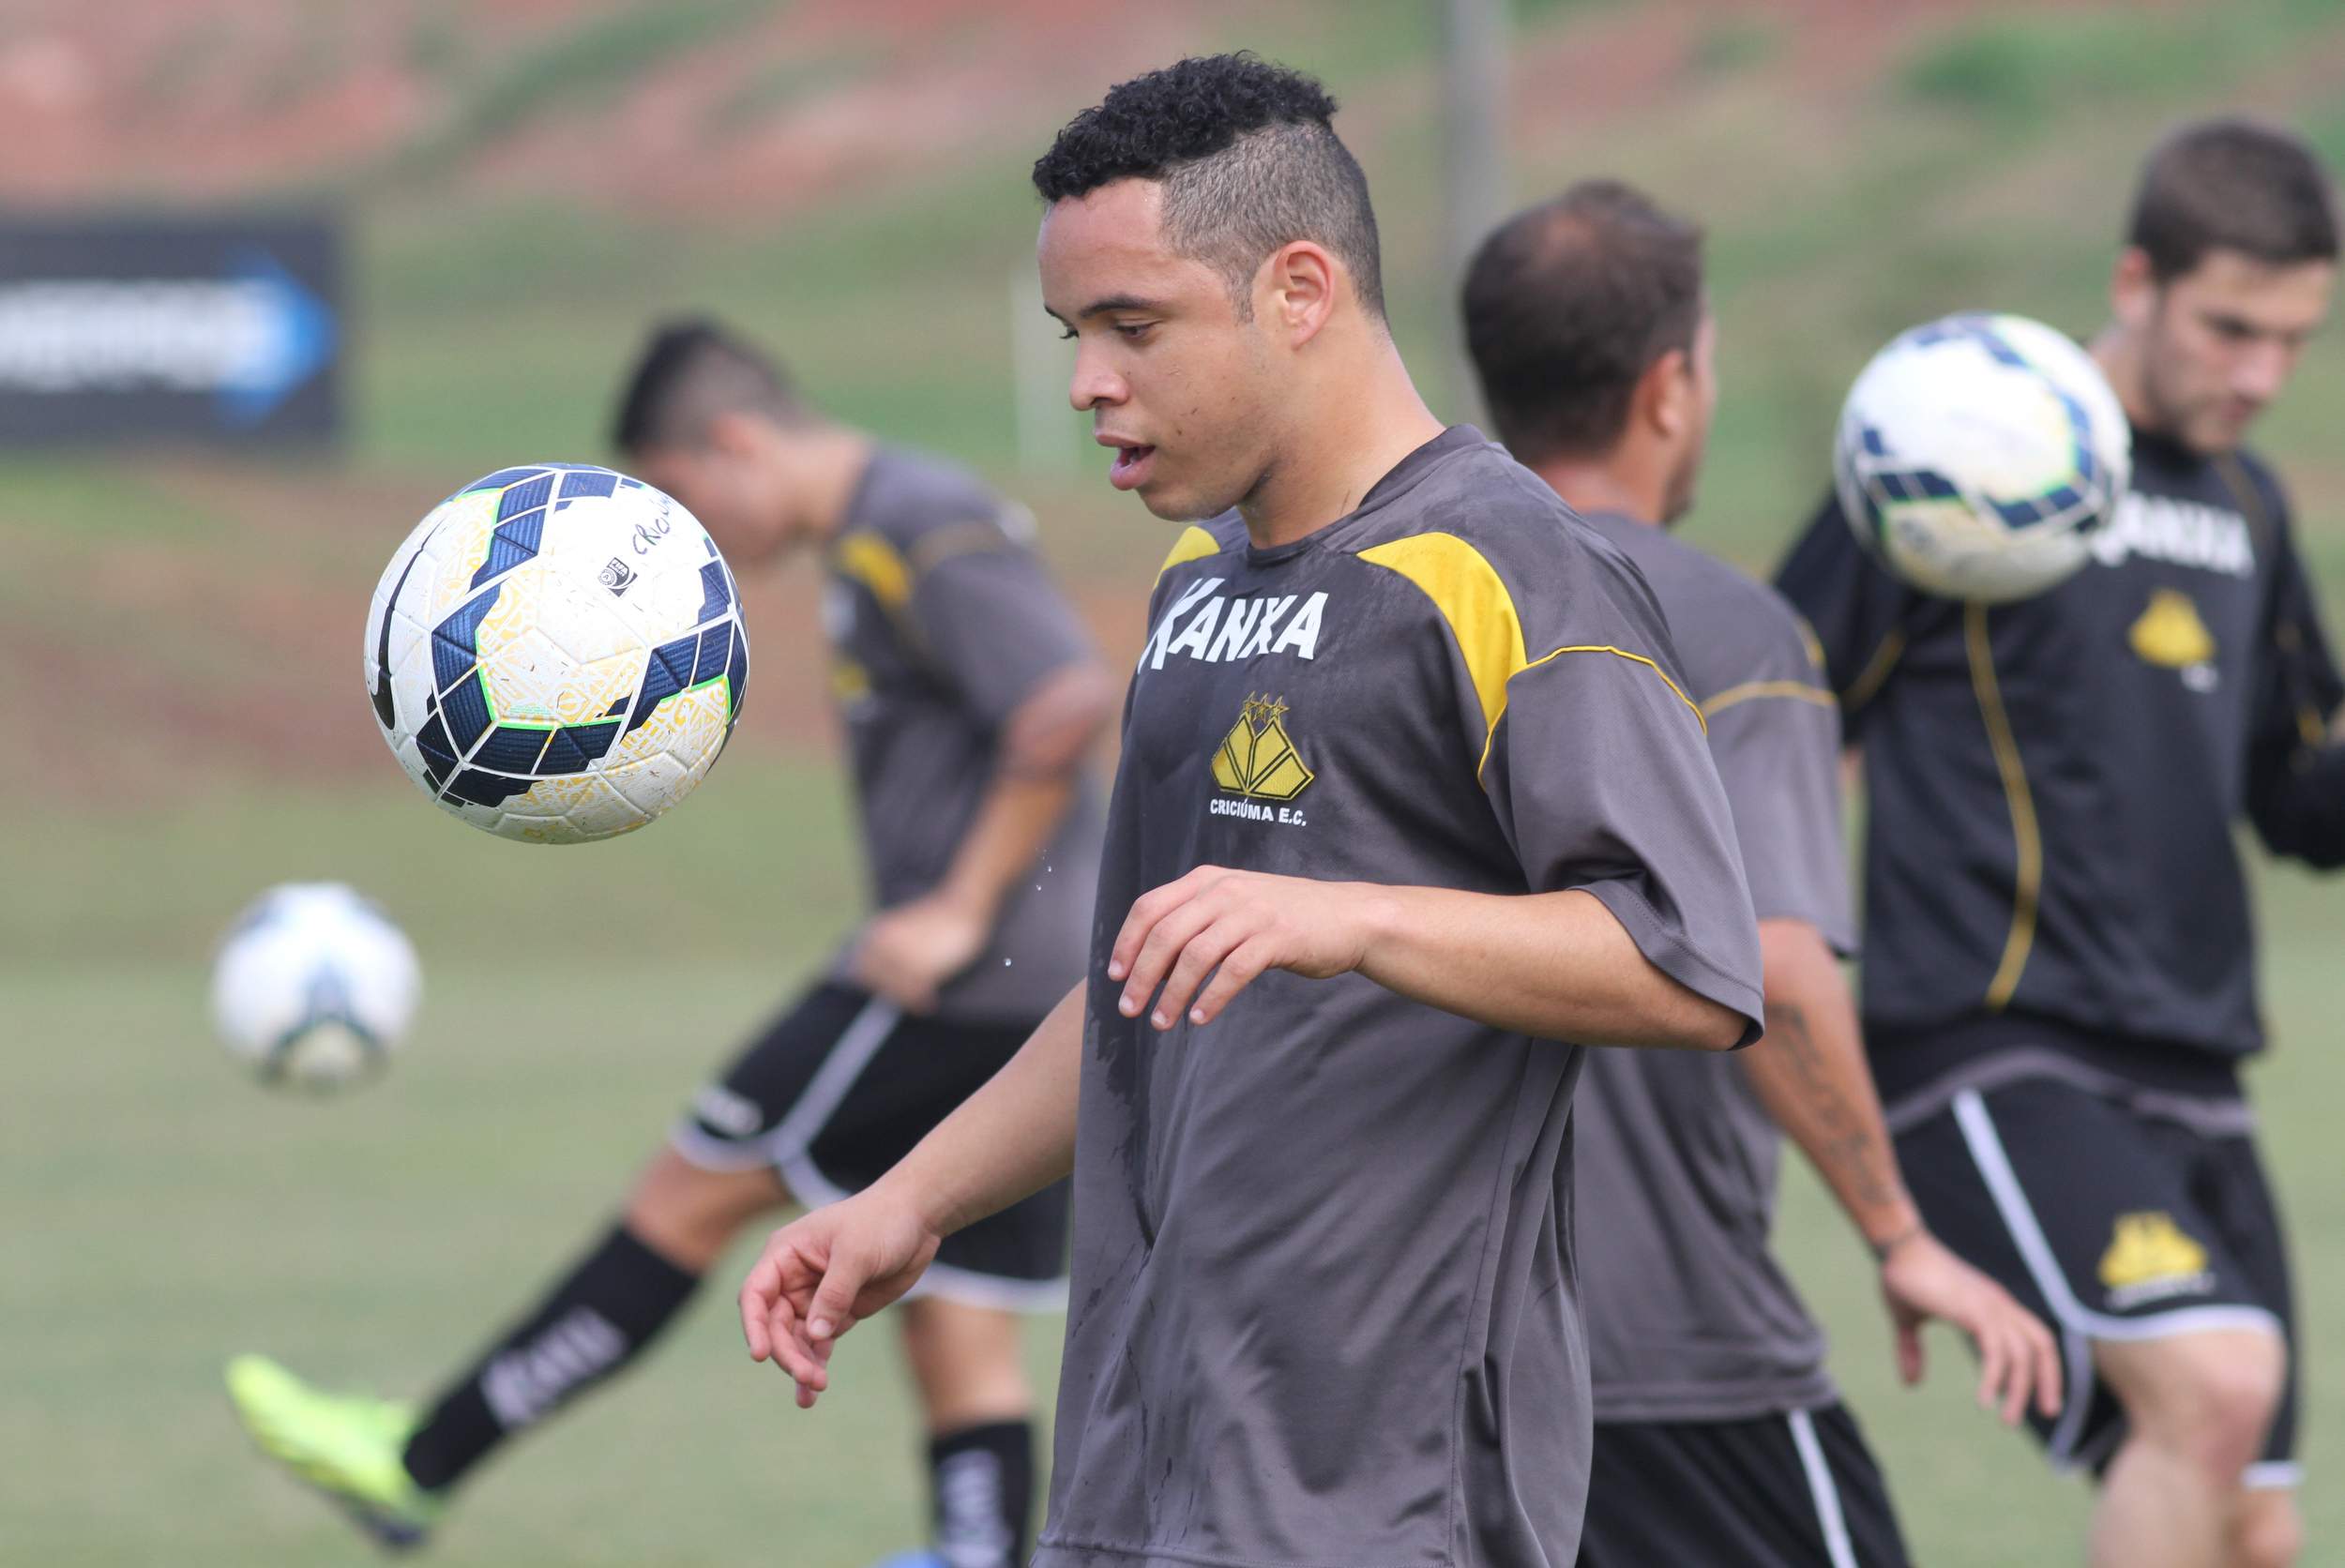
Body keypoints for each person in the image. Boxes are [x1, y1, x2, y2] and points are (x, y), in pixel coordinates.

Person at [736, 53, 1769, 1568]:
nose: (1089, 379)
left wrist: (1351, 919)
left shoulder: (1506, 570)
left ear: (1298, 290)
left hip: (1383, 1482)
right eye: (1073, 333)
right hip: (1144, 1459)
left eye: (1131, 326)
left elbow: (1685, 961)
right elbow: (1139, 993)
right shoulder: (1196, 587)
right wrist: (910, 1203)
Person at [226, 319, 1117, 1568]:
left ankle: (419, 1463)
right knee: (958, 1319)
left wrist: (957, 909)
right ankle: (981, 1557)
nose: (692, 543)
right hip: (1033, 990)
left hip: (959, 981)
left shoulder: (923, 521)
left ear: (737, 440)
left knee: (690, 1194)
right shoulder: (880, 528)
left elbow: (1066, 702)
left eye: (685, 497)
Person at [1461, 178, 2065, 1568]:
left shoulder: (1414, 594)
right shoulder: (1724, 630)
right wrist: (1899, 1235)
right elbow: (1778, 966)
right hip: (1675, 1362)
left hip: (1429, 1362)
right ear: (1670, 386)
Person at [1777, 118, 2341, 1568]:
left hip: (2199, 1067)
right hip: (1994, 1048)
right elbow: (1774, 696)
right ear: (2137, 278)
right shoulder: (1971, 444)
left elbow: (2300, 797)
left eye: (2293, 340)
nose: (2260, 374)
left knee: (2258, 1525)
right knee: (2211, 1392)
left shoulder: (2250, 505)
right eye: (2230, 328)